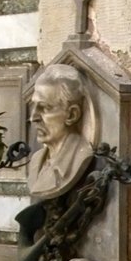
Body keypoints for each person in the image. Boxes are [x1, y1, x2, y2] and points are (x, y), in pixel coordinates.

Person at [26, 64, 94, 202]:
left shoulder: (81, 156)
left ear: (72, 115)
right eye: (34, 106)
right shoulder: (36, 161)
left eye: (44, 107)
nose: (33, 118)